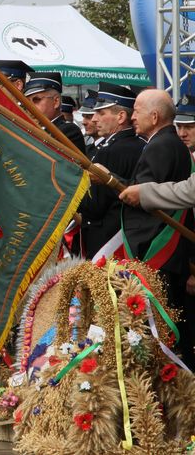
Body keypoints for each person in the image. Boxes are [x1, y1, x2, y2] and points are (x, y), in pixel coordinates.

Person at [107, 89, 194, 367]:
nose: (132, 117)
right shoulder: (169, 144)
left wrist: (112, 182)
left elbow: (141, 201)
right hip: (174, 255)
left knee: (162, 333)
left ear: (154, 116)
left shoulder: (161, 145)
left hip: (161, 252)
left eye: (136, 111)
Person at [77, 83, 144, 258]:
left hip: (106, 241)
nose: (94, 119)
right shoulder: (138, 145)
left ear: (121, 116)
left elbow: (95, 205)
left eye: (101, 113)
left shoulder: (111, 150)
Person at [23, 71, 87, 154]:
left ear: (56, 101)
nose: (30, 106)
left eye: (36, 100)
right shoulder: (32, 129)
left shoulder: (68, 131)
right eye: (27, 101)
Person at [79, 89, 103, 158]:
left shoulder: (107, 149)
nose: (83, 122)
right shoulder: (89, 147)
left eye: (88, 117)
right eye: (83, 117)